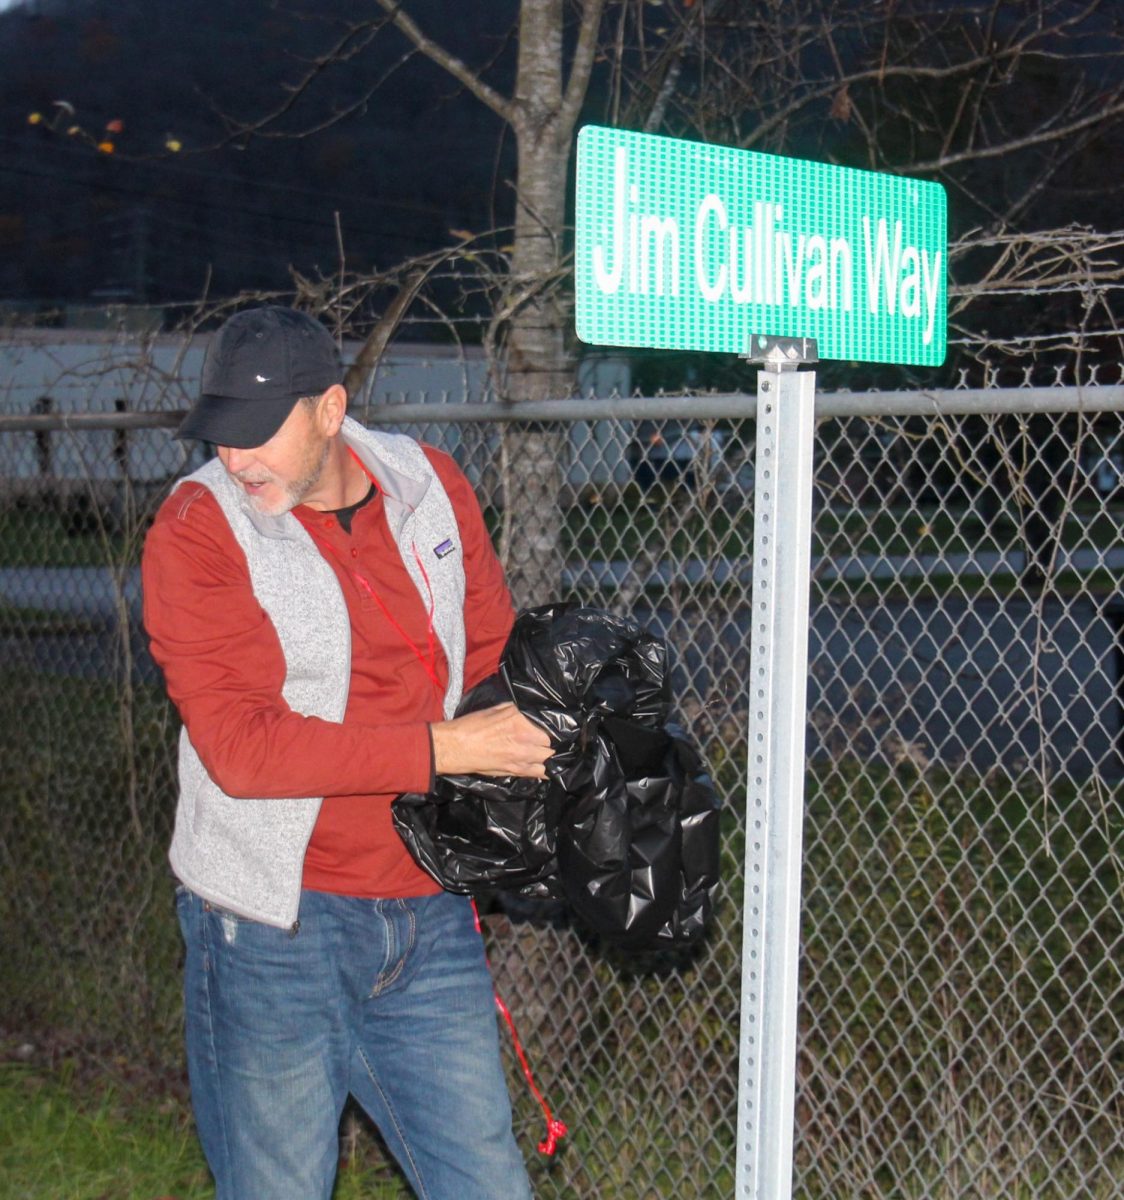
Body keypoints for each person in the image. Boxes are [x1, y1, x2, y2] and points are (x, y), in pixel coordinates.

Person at [141, 305, 552, 1200]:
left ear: (331, 410)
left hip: (429, 916)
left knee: (488, 1182)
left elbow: (489, 650)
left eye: (256, 435)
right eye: (221, 434)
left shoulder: (430, 485)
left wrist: (554, 745)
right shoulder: (198, 531)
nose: (234, 459)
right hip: (272, 928)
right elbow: (244, 752)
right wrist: (441, 751)